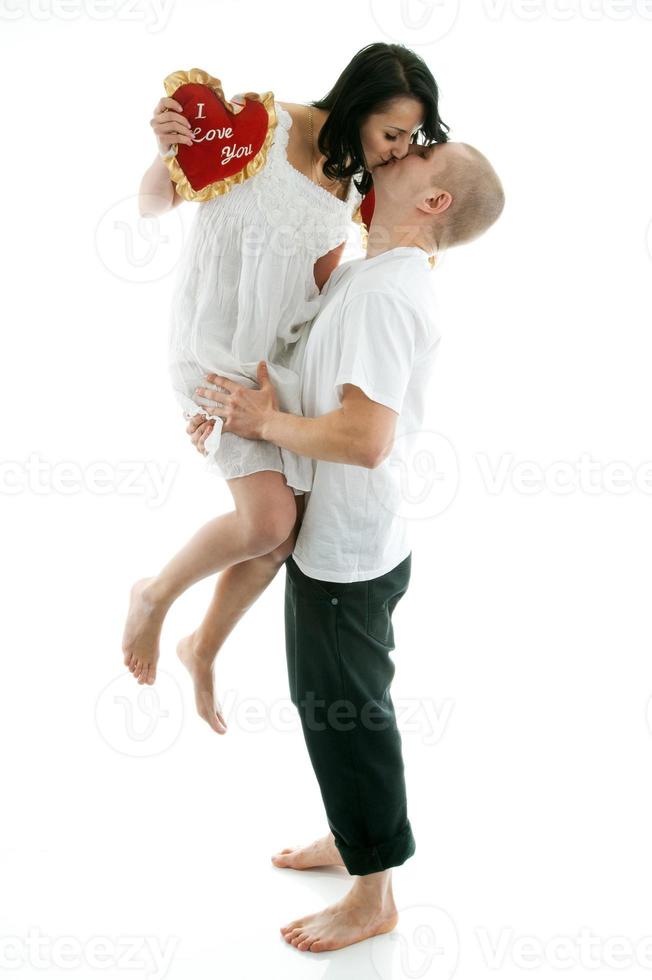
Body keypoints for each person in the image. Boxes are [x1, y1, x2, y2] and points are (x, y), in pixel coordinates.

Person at [187, 139, 505, 952]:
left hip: (348, 550)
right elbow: (323, 381)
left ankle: (375, 893)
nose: (399, 151)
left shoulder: (384, 297)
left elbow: (364, 437)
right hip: (351, 538)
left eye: (422, 155)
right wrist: (242, 409)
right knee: (334, 709)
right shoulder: (371, 277)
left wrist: (264, 423)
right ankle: (352, 834)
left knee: (346, 717)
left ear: (435, 204)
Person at [122, 44, 449, 724]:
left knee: (280, 534)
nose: (395, 151)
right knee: (268, 519)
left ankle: (201, 647)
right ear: (358, 104)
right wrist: (165, 150)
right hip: (212, 351)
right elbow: (154, 206)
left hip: (277, 369)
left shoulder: (360, 184)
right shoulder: (260, 128)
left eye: (407, 140)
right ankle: (153, 596)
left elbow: (332, 284)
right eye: (391, 133)